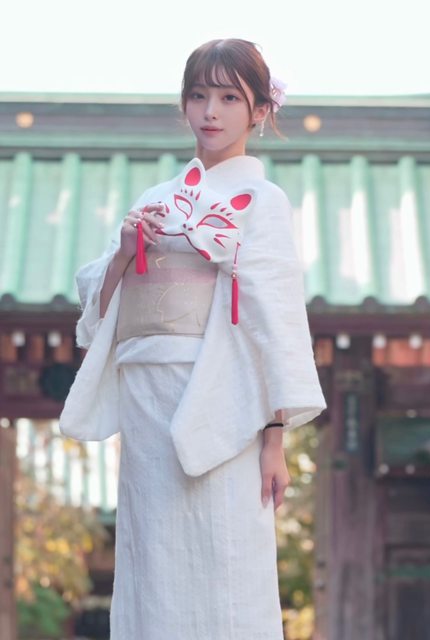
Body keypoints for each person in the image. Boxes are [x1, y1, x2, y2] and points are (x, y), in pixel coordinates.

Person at [60, 38, 326, 640]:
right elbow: (100, 314)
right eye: (199, 95)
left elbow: (275, 315)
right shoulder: (154, 200)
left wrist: (275, 437)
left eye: (230, 98)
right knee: (152, 558)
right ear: (183, 103)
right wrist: (125, 253)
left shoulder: (263, 202)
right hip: (146, 397)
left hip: (220, 393)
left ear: (260, 110)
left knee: (225, 551)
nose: (211, 111)